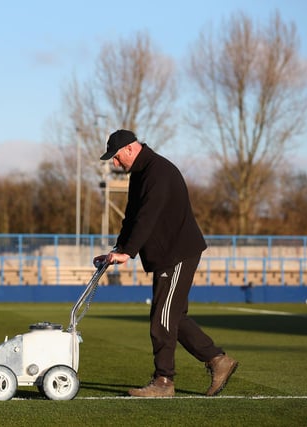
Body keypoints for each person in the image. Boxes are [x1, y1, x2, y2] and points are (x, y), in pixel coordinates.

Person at [93, 129, 238, 398]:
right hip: (167, 255)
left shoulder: (158, 172)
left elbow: (148, 216)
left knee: (162, 316)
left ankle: (163, 382)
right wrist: (118, 249)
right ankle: (219, 361)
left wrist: (130, 252)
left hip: (177, 254)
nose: (114, 164)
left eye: (115, 157)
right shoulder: (141, 173)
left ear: (129, 149)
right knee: (173, 317)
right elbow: (132, 217)